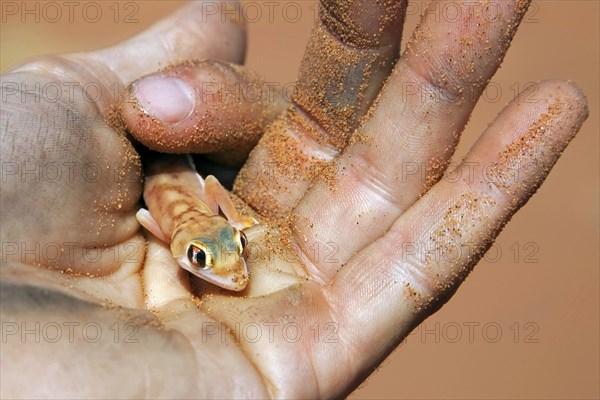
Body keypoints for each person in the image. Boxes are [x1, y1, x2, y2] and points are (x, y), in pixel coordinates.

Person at [0, 1, 588, 398]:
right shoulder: (162, 227)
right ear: (176, 247)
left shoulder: (188, 222)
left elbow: (198, 197)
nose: (233, 275)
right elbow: (158, 212)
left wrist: (233, 225)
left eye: (226, 250)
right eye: (206, 260)